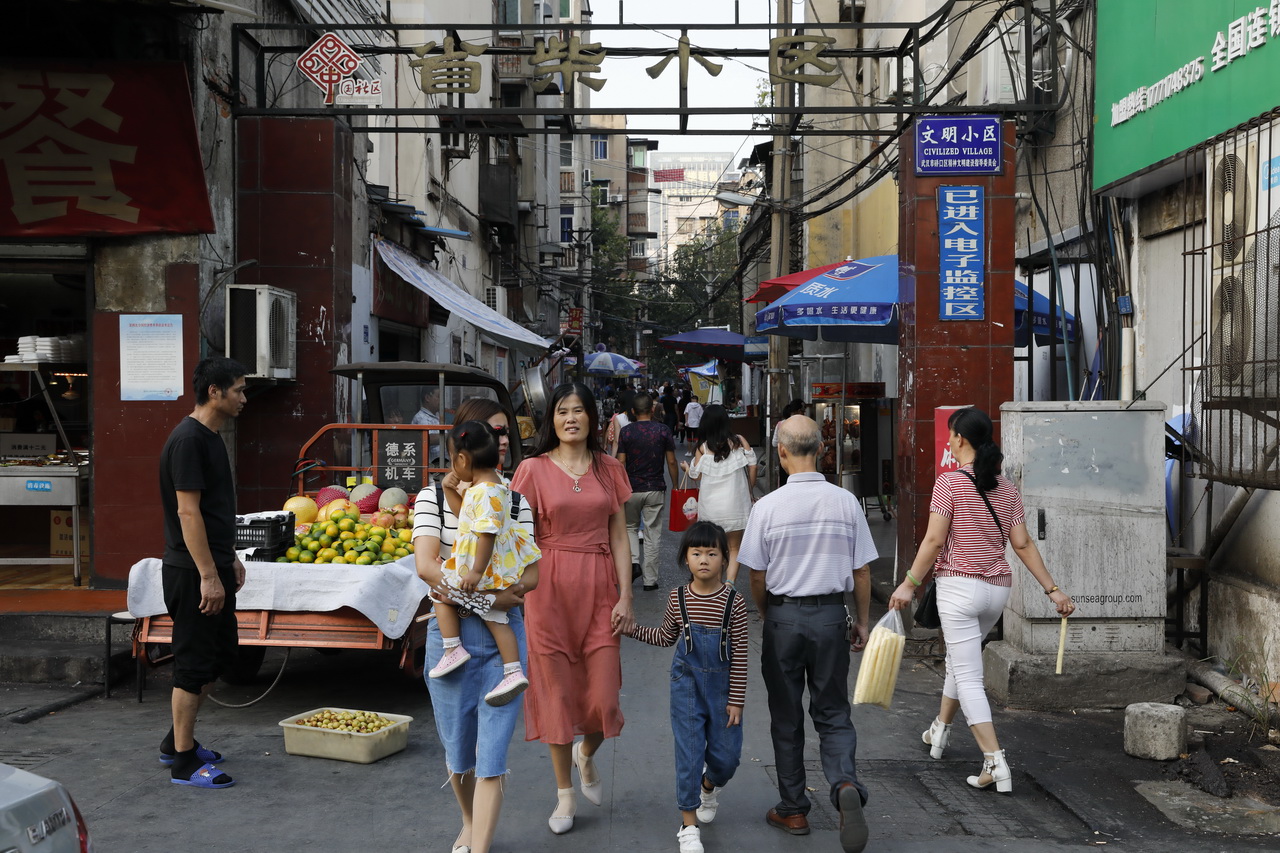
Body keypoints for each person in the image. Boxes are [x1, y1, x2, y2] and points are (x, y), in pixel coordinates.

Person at [889, 406, 1075, 795]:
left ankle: (995, 762)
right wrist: (1052, 589)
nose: (950, 440)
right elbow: (1021, 544)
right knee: (962, 660)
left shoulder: (950, 484)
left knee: (970, 675)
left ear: (959, 438)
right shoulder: (1006, 488)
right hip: (996, 591)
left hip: (959, 588)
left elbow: (935, 540)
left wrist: (909, 583)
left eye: (951, 434)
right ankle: (939, 731)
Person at [738, 415, 875, 853]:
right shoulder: (846, 502)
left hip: (784, 619)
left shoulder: (767, 507)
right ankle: (844, 784)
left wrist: (768, 614)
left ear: (780, 452)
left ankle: (794, 808)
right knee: (833, 712)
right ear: (821, 450)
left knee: (786, 716)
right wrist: (861, 620)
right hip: (832, 616)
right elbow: (862, 570)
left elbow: (756, 576)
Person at [414, 400, 538, 853]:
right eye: (492, 431)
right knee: (458, 752)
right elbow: (427, 566)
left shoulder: (514, 501)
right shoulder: (433, 497)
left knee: (491, 757)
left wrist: (479, 597)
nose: (500, 440)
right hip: (450, 639)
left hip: (501, 638)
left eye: (503, 432)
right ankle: (470, 823)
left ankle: (480, 844)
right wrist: (484, 597)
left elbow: (529, 576)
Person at [510, 382, 634, 835]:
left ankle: (586, 755)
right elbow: (514, 533)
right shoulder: (532, 469)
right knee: (556, 692)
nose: (570, 418)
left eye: (579, 410)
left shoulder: (609, 469)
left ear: (592, 418)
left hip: (600, 586)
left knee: (603, 698)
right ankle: (564, 794)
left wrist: (626, 594)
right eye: (562, 411)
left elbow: (620, 535)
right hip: (548, 589)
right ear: (552, 420)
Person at [624, 521, 748, 853]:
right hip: (687, 685)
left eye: (712, 553)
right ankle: (687, 823)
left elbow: (740, 655)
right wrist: (633, 630)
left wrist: (736, 700)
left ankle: (709, 784)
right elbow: (666, 637)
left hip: (723, 690)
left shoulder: (733, 602)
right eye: (697, 553)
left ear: (724, 559)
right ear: (686, 559)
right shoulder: (678, 598)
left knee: (727, 758)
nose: (704, 559)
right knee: (689, 753)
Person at [157, 357, 248, 789]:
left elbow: (213, 511)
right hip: (191, 572)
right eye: (239, 390)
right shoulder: (188, 441)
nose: (244, 398)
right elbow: (188, 512)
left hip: (213, 564)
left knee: (220, 656)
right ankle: (183, 763)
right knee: (194, 665)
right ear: (215, 391)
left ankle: (178, 740)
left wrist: (228, 557)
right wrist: (209, 575)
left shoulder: (211, 437)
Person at [429, 422, 542, 707]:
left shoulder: (485, 492)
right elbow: (467, 516)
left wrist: (477, 571)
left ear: (463, 460)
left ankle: (452, 648)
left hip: (481, 569)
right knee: (495, 618)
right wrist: (449, 488)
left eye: (453, 458)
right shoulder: (493, 487)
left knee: (439, 594)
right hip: (491, 568)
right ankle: (513, 671)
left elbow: (486, 531)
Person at [680, 405, 756, 583]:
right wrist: (749, 489)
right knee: (734, 547)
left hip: (711, 509)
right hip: (736, 505)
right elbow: (753, 465)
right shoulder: (739, 441)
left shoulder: (703, 448)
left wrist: (686, 468)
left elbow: (696, 476)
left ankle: (717, 585)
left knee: (714, 549)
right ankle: (729, 585)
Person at [616, 392, 679, 591]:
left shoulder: (626, 432)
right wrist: (675, 484)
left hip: (631, 489)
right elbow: (671, 460)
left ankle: (634, 562)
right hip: (655, 488)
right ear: (652, 410)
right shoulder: (663, 430)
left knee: (630, 528)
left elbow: (620, 462)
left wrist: (619, 487)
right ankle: (650, 580)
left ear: (633, 412)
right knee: (653, 533)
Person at [771, 400, 806, 487]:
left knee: (786, 485)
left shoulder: (781, 424)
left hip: (785, 462)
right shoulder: (804, 424)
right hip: (801, 462)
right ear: (798, 411)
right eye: (803, 411)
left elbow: (774, 443)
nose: (804, 414)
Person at [605, 388, 636, 457]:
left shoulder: (619, 418)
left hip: (623, 454)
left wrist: (612, 458)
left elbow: (616, 441)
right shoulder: (640, 416)